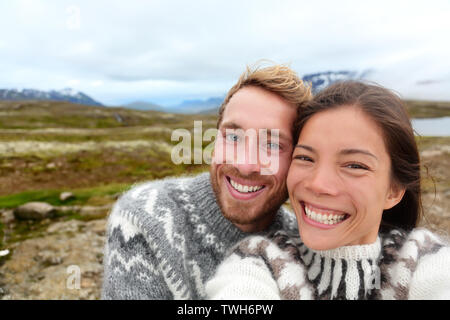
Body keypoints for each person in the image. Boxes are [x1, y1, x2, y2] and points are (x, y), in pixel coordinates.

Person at [205, 81, 450, 300]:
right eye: (305, 158)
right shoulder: (258, 262)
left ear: (394, 191)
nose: (318, 184)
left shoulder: (426, 262)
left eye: (354, 165)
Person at [101, 63, 312, 299]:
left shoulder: (305, 242)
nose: (244, 164)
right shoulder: (144, 216)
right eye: (233, 137)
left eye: (271, 145)